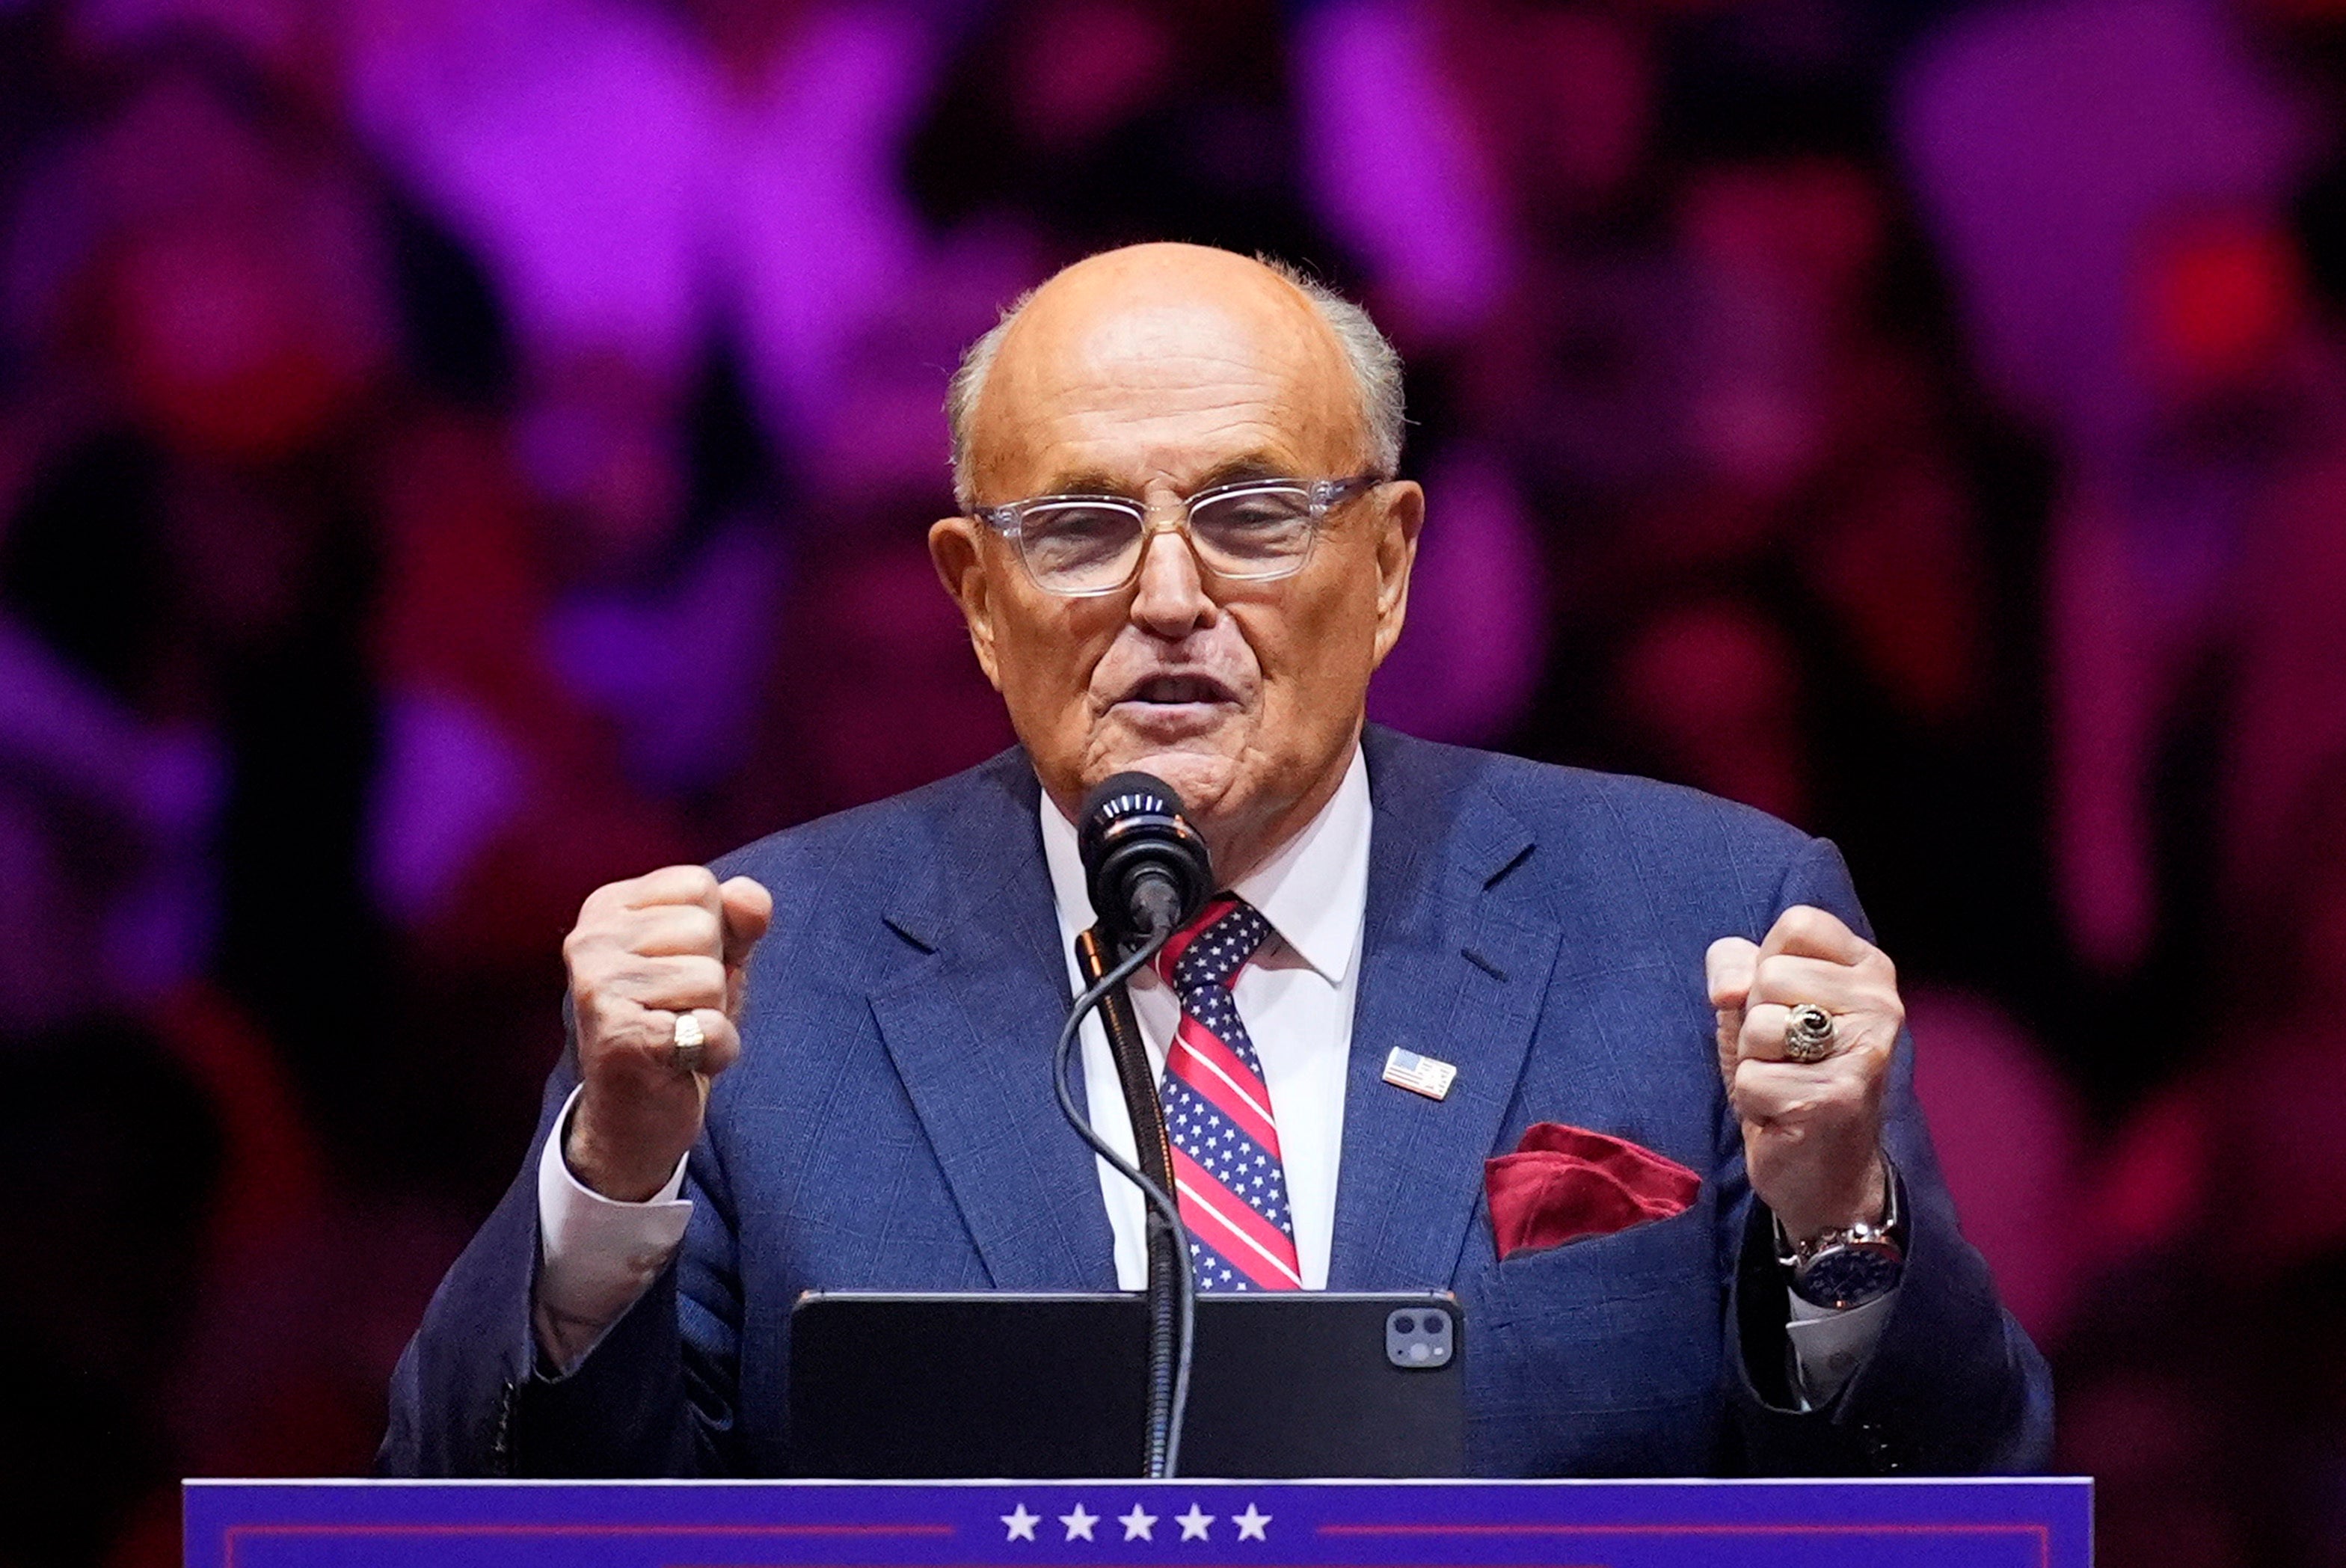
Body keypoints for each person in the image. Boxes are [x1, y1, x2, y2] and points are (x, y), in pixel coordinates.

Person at [380, 243, 2050, 1478]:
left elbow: (1975, 1486)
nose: (1167, 595)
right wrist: (610, 1177)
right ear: (975, 595)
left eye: (1253, 514)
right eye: (1084, 528)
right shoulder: (766, 977)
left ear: (1389, 562)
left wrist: (1836, 1230)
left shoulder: (1699, 924)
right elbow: (467, 1509)